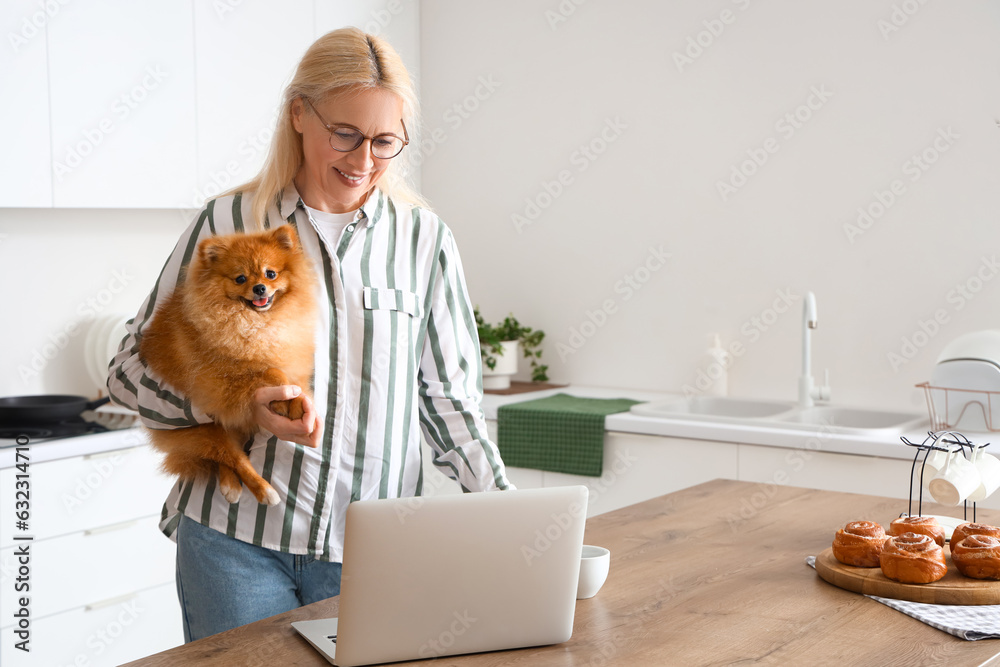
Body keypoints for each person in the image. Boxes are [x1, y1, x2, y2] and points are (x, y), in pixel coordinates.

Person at [106, 27, 513, 642]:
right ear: (300, 112)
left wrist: (506, 512)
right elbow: (128, 375)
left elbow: (448, 400)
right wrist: (238, 402)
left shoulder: (423, 239)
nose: (363, 160)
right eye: (345, 134)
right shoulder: (228, 223)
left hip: (371, 554)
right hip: (234, 546)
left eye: (385, 141)